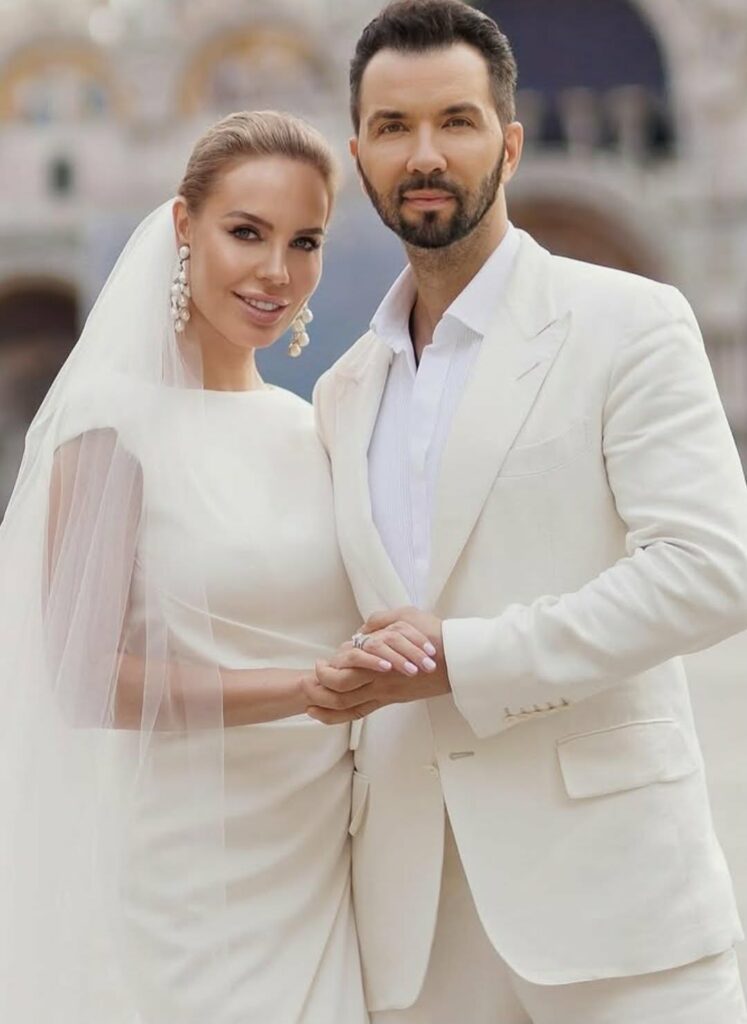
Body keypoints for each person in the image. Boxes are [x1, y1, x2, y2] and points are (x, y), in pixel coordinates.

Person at [305, 2, 747, 1021]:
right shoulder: (341, 391)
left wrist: (466, 658)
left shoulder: (628, 321)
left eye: (455, 122)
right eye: (392, 127)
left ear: (507, 144)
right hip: (414, 933)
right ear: (359, 158)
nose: (425, 154)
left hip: (615, 909)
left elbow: (712, 568)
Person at [0, 109, 435, 1023]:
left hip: (322, 864)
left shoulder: (312, 427)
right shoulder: (113, 425)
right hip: (190, 883)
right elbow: (82, 680)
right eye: (246, 232)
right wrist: (304, 689)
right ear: (183, 228)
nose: (277, 271)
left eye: (304, 241)